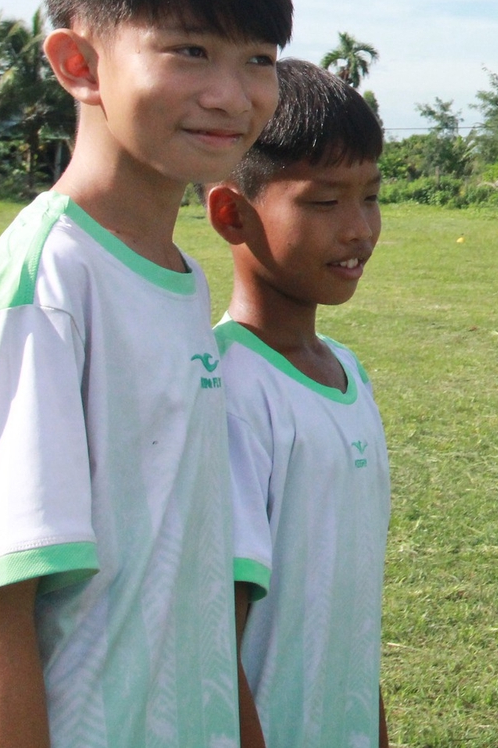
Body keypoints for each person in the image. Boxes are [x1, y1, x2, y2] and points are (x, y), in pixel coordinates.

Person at [0, 0, 290, 748]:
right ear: (77, 64)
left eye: (260, 57)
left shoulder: (176, 276)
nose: (232, 94)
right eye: (190, 50)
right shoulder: (45, 284)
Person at [202, 60, 391, 748]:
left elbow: (348, 617)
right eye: (323, 202)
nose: (358, 229)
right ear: (232, 213)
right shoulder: (226, 390)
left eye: (370, 196)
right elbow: (215, 647)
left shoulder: (350, 374)